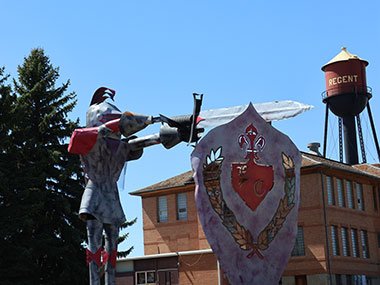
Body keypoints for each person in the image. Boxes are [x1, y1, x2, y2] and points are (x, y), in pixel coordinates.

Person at [68, 87, 150, 285]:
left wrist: (175, 132)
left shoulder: (120, 146)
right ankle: (95, 282)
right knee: (94, 244)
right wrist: (113, 126)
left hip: (111, 196)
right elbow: (76, 140)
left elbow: (146, 141)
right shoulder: (88, 139)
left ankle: (110, 282)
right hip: (95, 194)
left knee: (112, 247)